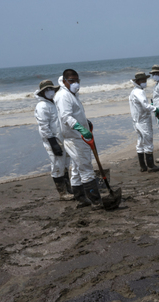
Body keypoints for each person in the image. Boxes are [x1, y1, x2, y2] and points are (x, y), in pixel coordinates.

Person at [54, 69, 103, 209]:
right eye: (72, 81)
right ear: (64, 81)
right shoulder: (63, 96)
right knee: (86, 168)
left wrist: (86, 123)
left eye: (77, 80)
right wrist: (81, 129)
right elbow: (65, 117)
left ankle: (81, 198)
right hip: (75, 137)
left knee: (76, 168)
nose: (75, 83)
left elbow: (76, 113)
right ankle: (96, 201)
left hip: (78, 135)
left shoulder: (72, 94)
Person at [34, 79, 73, 200]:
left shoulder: (55, 103)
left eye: (51, 89)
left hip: (63, 138)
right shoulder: (42, 106)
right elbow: (44, 127)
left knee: (66, 164)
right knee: (57, 165)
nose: (50, 92)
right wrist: (53, 143)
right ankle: (62, 193)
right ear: (42, 93)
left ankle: (69, 188)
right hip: (53, 140)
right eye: (47, 90)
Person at [129, 72, 159, 173]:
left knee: (140, 143)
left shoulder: (133, 92)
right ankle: (151, 166)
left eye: (145, 80)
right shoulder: (139, 92)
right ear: (138, 82)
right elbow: (145, 106)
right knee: (148, 142)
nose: (145, 82)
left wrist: (150, 105)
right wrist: (155, 108)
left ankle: (143, 166)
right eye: (142, 81)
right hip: (143, 121)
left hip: (136, 121)